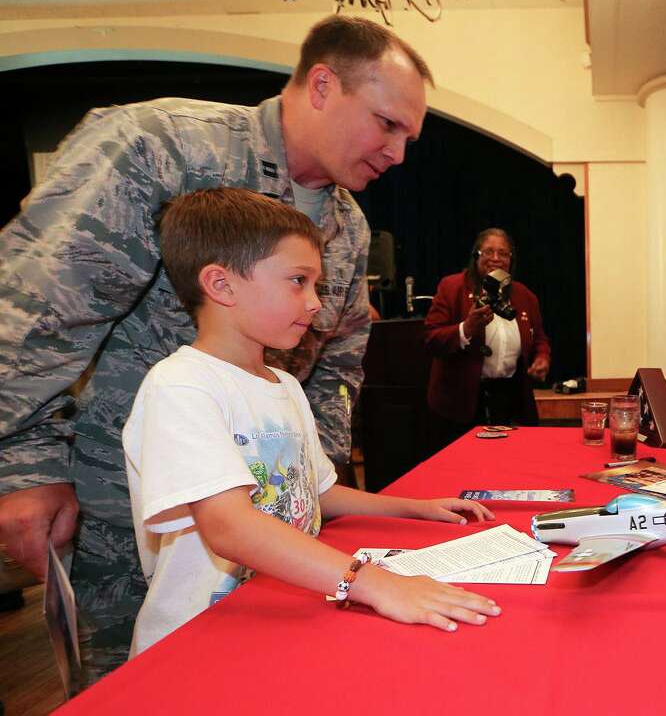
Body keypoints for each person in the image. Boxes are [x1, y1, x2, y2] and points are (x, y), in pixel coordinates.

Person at [0, 15, 431, 683]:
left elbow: (338, 368)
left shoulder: (349, 226)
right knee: (141, 683)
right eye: (388, 124)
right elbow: (36, 307)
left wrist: (313, 489)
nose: (400, 153)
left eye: (410, 135)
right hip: (123, 513)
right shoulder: (162, 149)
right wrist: (22, 465)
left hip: (276, 536)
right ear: (322, 85)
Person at [125, 188, 499, 654]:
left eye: (315, 285)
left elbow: (316, 491)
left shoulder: (283, 384)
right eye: (297, 281)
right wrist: (373, 583)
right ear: (221, 285)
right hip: (204, 640)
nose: (315, 302)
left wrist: (413, 507)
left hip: (280, 618)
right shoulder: (181, 386)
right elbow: (229, 526)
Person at [424, 228, 550, 447]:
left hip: (509, 399)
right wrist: (466, 328)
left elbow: (538, 338)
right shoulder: (452, 287)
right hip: (463, 404)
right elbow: (430, 339)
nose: (496, 259)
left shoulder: (524, 295)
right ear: (476, 255)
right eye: (488, 252)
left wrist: (542, 357)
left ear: (511, 259)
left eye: (503, 253)